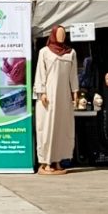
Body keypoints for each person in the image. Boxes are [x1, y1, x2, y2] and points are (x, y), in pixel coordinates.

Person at [33, 25, 77, 175]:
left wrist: (75, 91)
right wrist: (41, 92)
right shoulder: (44, 52)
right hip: (49, 96)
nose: (61, 36)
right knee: (47, 128)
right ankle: (45, 162)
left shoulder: (71, 53)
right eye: (59, 33)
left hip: (64, 96)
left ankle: (58, 160)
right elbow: (40, 73)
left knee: (61, 127)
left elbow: (73, 75)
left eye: (63, 34)